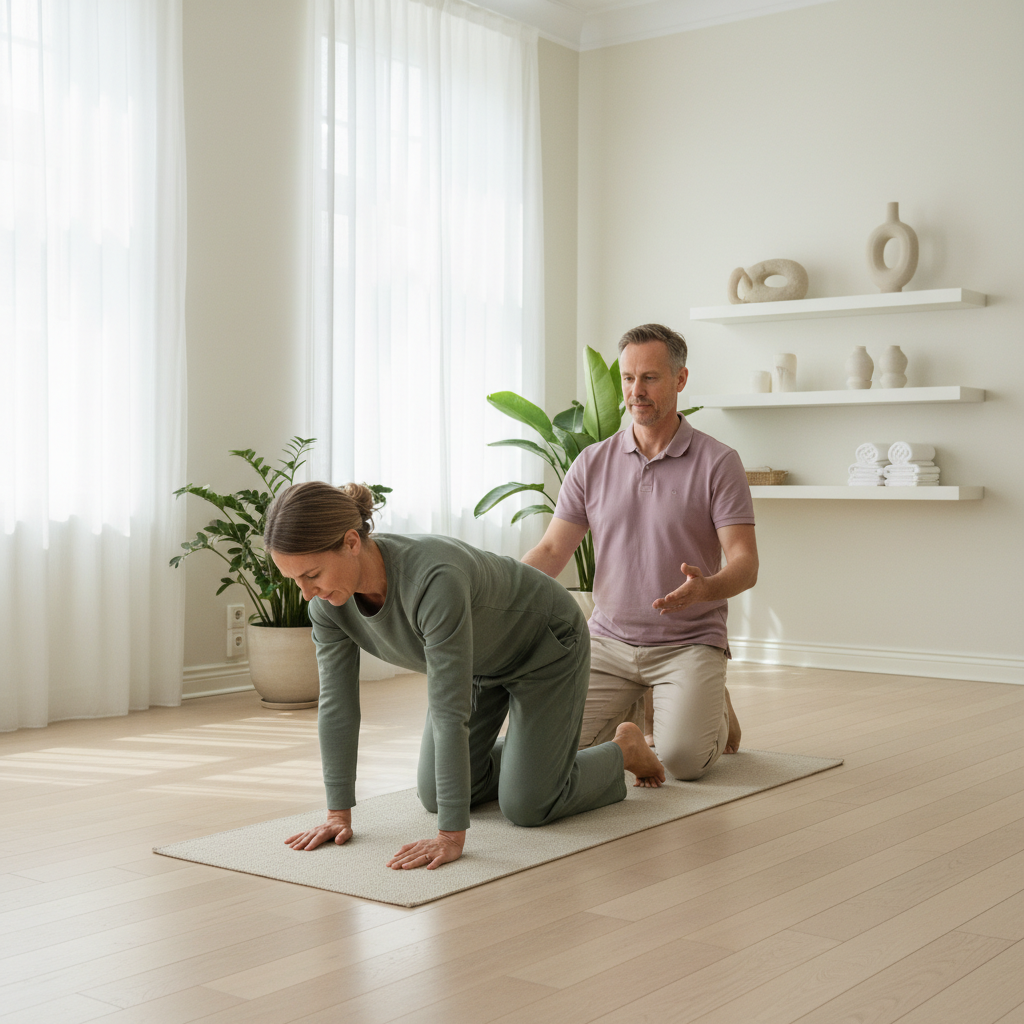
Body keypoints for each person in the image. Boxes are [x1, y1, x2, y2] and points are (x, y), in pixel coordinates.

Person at [263, 481, 665, 870]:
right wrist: (338, 814)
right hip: (478, 661)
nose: (306, 593)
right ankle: (536, 755)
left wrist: (451, 836)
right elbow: (337, 706)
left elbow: (448, 708)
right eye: (295, 580)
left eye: (312, 575)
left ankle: (623, 750)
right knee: (437, 793)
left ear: (351, 542)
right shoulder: (328, 607)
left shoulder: (433, 579)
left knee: (529, 806)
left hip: (544, 647)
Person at [523, 324, 758, 786]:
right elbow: (552, 550)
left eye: (649, 378)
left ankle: (710, 697)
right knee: (548, 747)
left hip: (688, 641)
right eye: (629, 379)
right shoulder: (591, 462)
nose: (636, 391)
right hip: (608, 642)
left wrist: (706, 589)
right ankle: (636, 726)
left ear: (680, 380)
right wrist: (495, 584)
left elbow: (745, 563)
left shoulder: (718, 462)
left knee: (684, 762)